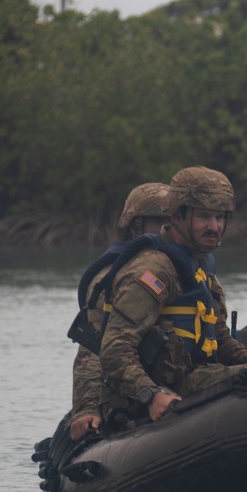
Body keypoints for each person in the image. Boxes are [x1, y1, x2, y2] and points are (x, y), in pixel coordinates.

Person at [97, 166, 247, 431]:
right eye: (204, 217)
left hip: (192, 378)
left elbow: (221, 339)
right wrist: (151, 394)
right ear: (178, 217)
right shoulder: (154, 270)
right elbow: (114, 349)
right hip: (150, 397)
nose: (214, 227)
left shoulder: (202, 269)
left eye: (220, 218)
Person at [68, 182, 171, 440]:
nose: (164, 231)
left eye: (170, 222)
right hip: (128, 395)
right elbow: (93, 350)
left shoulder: (184, 270)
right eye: (157, 223)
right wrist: (87, 409)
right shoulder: (112, 280)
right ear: (135, 227)